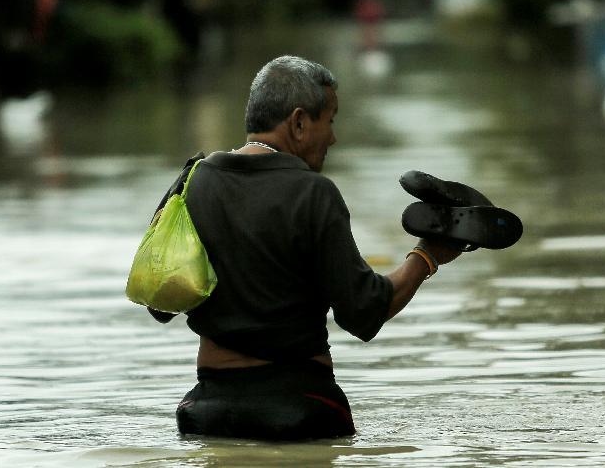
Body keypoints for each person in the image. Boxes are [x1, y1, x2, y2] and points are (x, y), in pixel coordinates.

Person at [146, 55, 460, 440]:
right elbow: (363, 311)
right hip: (301, 407)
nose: (333, 138)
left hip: (208, 413)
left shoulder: (192, 182)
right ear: (298, 122)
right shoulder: (313, 193)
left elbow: (159, 303)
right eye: (330, 120)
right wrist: (427, 255)